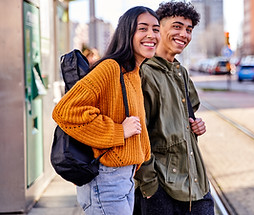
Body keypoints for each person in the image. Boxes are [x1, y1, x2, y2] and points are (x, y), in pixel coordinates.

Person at [52, 6, 160, 215]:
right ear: (127, 32)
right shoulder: (110, 68)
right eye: (143, 28)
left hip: (124, 177)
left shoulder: (134, 73)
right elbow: (65, 111)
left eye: (155, 29)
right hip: (106, 179)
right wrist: (119, 131)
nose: (151, 35)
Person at [134, 1, 214, 215]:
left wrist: (196, 125)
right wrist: (150, 187)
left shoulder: (182, 72)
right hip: (162, 188)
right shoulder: (144, 73)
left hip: (195, 182)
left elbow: (185, 117)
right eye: (177, 26)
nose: (184, 35)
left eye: (189, 30)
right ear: (158, 28)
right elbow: (137, 135)